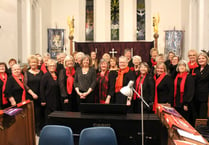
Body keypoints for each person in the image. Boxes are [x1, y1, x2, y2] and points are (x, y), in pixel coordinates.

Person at [24, 55, 43, 135]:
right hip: (30, 96)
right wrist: (32, 94)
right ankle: (31, 131)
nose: (33, 64)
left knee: (38, 114)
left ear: (37, 63)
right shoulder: (26, 73)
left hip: (39, 96)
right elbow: (25, 85)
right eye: (32, 62)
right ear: (29, 63)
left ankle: (38, 130)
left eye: (35, 62)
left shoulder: (41, 72)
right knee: (31, 114)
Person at [40, 59, 60, 123]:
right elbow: (42, 89)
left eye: (54, 66)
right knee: (49, 116)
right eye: (50, 66)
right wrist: (43, 100)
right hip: (48, 99)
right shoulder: (45, 76)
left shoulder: (57, 74)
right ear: (47, 67)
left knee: (57, 115)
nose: (52, 67)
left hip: (57, 98)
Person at [195, 52, 209, 119]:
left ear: (206, 59)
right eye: (199, 59)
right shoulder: (196, 69)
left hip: (205, 97)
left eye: (203, 58)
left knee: (203, 115)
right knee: (196, 115)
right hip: (196, 96)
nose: (201, 60)